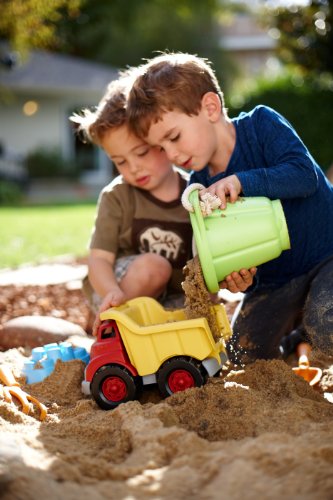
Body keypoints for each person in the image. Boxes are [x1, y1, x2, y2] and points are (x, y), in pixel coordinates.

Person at [126, 52, 333, 364]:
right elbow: (224, 248)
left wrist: (241, 182)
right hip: (275, 282)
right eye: (161, 147)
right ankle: (296, 338)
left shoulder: (261, 126)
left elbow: (304, 176)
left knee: (327, 326)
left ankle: (309, 331)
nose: (171, 153)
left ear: (210, 107)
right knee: (241, 356)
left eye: (174, 137)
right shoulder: (199, 188)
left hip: (327, 253)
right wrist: (236, 278)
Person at [70, 75, 193, 334]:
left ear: (161, 139)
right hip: (118, 288)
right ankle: (110, 324)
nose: (133, 167)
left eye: (141, 153)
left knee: (192, 318)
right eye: (120, 161)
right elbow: (99, 260)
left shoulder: (194, 194)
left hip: (169, 296)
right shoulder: (117, 196)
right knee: (154, 267)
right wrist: (112, 292)